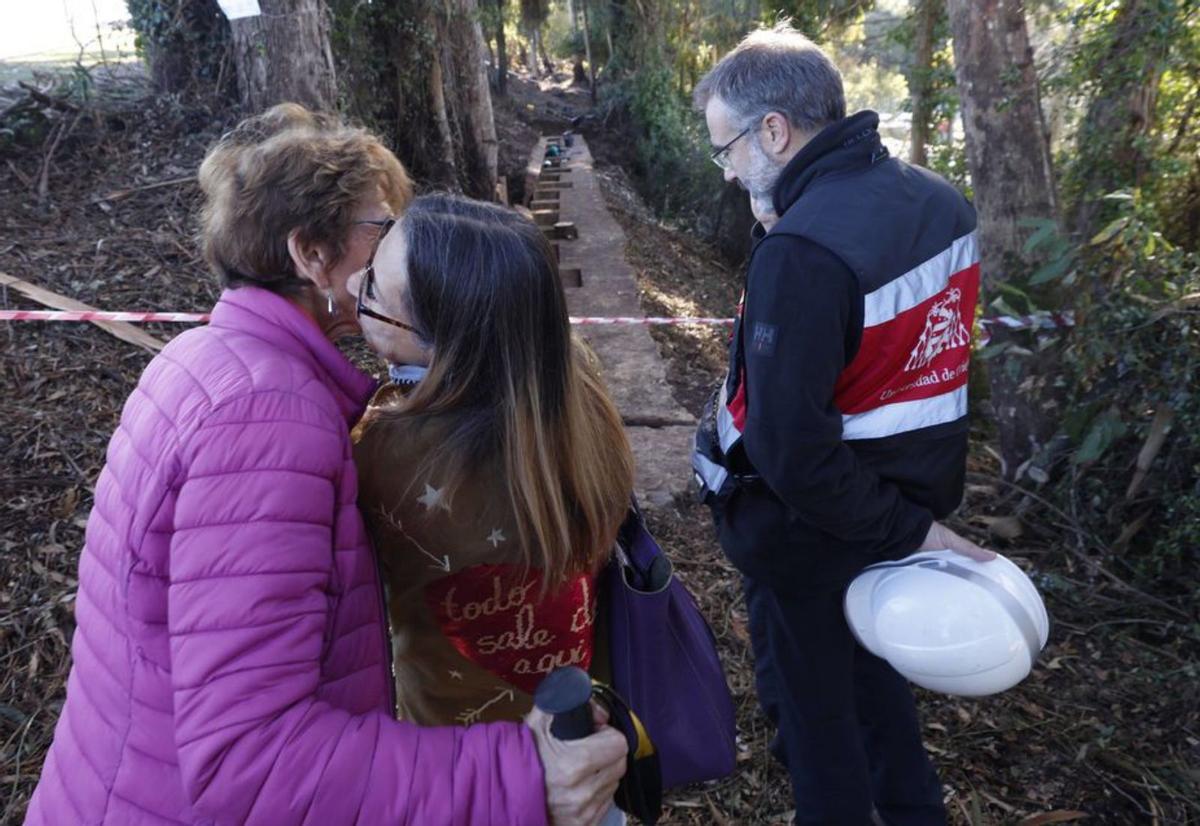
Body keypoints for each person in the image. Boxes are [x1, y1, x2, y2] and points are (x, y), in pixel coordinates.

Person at [24, 104, 625, 826]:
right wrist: (518, 778)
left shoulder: (207, 362)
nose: (396, 236)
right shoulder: (269, 421)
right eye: (382, 227)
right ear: (312, 253)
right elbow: (255, 759)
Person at [690, 24, 996, 826]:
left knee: (821, 724)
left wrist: (906, 531)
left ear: (776, 131)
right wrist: (910, 527)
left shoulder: (802, 249)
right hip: (897, 505)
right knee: (876, 685)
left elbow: (789, 449)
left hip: (814, 533)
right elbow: (902, 361)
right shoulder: (941, 202)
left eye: (727, 151)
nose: (727, 174)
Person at [351, 194, 636, 727]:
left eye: (372, 290)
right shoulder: (579, 390)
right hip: (584, 728)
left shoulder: (381, 451)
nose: (351, 288)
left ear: (440, 340)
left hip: (459, 765)